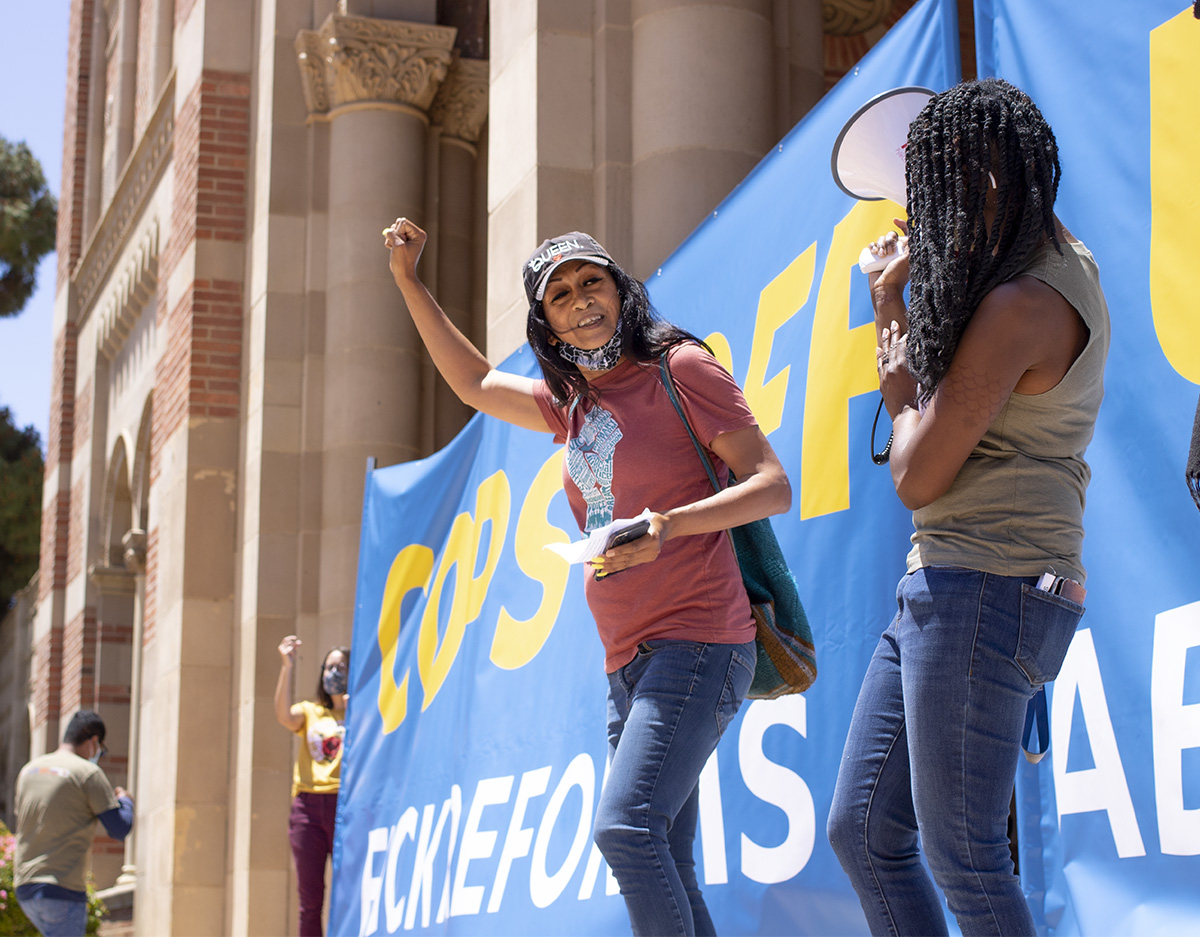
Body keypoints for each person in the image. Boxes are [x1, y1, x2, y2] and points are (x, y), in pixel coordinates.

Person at [383, 220, 791, 936]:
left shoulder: (682, 368)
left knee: (627, 829)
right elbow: (476, 382)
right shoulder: (570, 403)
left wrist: (669, 524)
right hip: (627, 665)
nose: (580, 300)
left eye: (591, 281)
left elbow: (771, 484)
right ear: (547, 321)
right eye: (560, 294)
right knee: (664, 850)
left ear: (620, 288)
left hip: (699, 642)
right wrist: (408, 280)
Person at [826, 78, 1110, 936]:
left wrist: (889, 327)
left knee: (963, 853)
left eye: (936, 188)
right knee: (865, 832)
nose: (926, 213)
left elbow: (916, 474)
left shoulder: (1022, 301)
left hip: (985, 587)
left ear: (989, 176)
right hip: (954, 585)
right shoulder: (1045, 265)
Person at [14, 710, 134, 937]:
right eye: (100, 748)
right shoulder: (87, 773)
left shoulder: (29, 770)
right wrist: (126, 801)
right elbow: (120, 827)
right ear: (93, 741)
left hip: (26, 888)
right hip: (61, 889)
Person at [275, 635, 349, 937]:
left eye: (342, 667)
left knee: (348, 890)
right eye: (329, 667)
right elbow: (283, 715)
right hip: (307, 807)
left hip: (345, 806)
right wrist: (286, 666)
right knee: (310, 899)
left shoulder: (363, 712)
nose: (334, 674)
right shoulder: (310, 712)